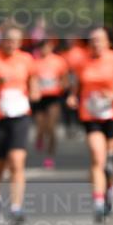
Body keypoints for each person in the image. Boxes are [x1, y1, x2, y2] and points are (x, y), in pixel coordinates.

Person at [66, 27, 113, 223]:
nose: (95, 43)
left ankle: (112, 188)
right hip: (91, 115)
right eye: (92, 40)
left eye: (99, 40)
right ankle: (98, 203)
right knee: (98, 158)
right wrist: (72, 98)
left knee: (109, 163)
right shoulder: (82, 62)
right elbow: (75, 88)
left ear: (108, 42)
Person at [0, 23, 40, 225]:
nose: (11, 44)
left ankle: (16, 207)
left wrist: (35, 93)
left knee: (17, 160)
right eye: (8, 40)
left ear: (20, 42)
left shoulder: (26, 59)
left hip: (19, 114)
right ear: (1, 40)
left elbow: (33, 82)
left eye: (15, 41)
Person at [32, 37, 69, 168]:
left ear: (51, 47)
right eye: (41, 47)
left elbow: (65, 80)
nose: (44, 49)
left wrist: (61, 86)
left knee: (52, 127)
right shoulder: (34, 62)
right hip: (39, 98)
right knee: (41, 126)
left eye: (46, 46)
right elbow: (31, 80)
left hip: (53, 97)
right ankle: (40, 137)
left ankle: (50, 155)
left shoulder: (59, 61)